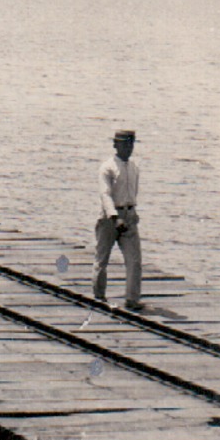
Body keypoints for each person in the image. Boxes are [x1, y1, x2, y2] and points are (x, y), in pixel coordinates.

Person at [92, 129, 143, 310]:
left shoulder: (134, 167)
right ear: (115, 145)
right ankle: (99, 296)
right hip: (109, 217)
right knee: (102, 258)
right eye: (124, 144)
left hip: (128, 216)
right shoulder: (107, 167)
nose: (128, 148)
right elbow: (105, 195)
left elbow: (132, 192)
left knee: (134, 260)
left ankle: (132, 299)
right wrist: (114, 217)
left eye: (131, 144)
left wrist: (133, 211)